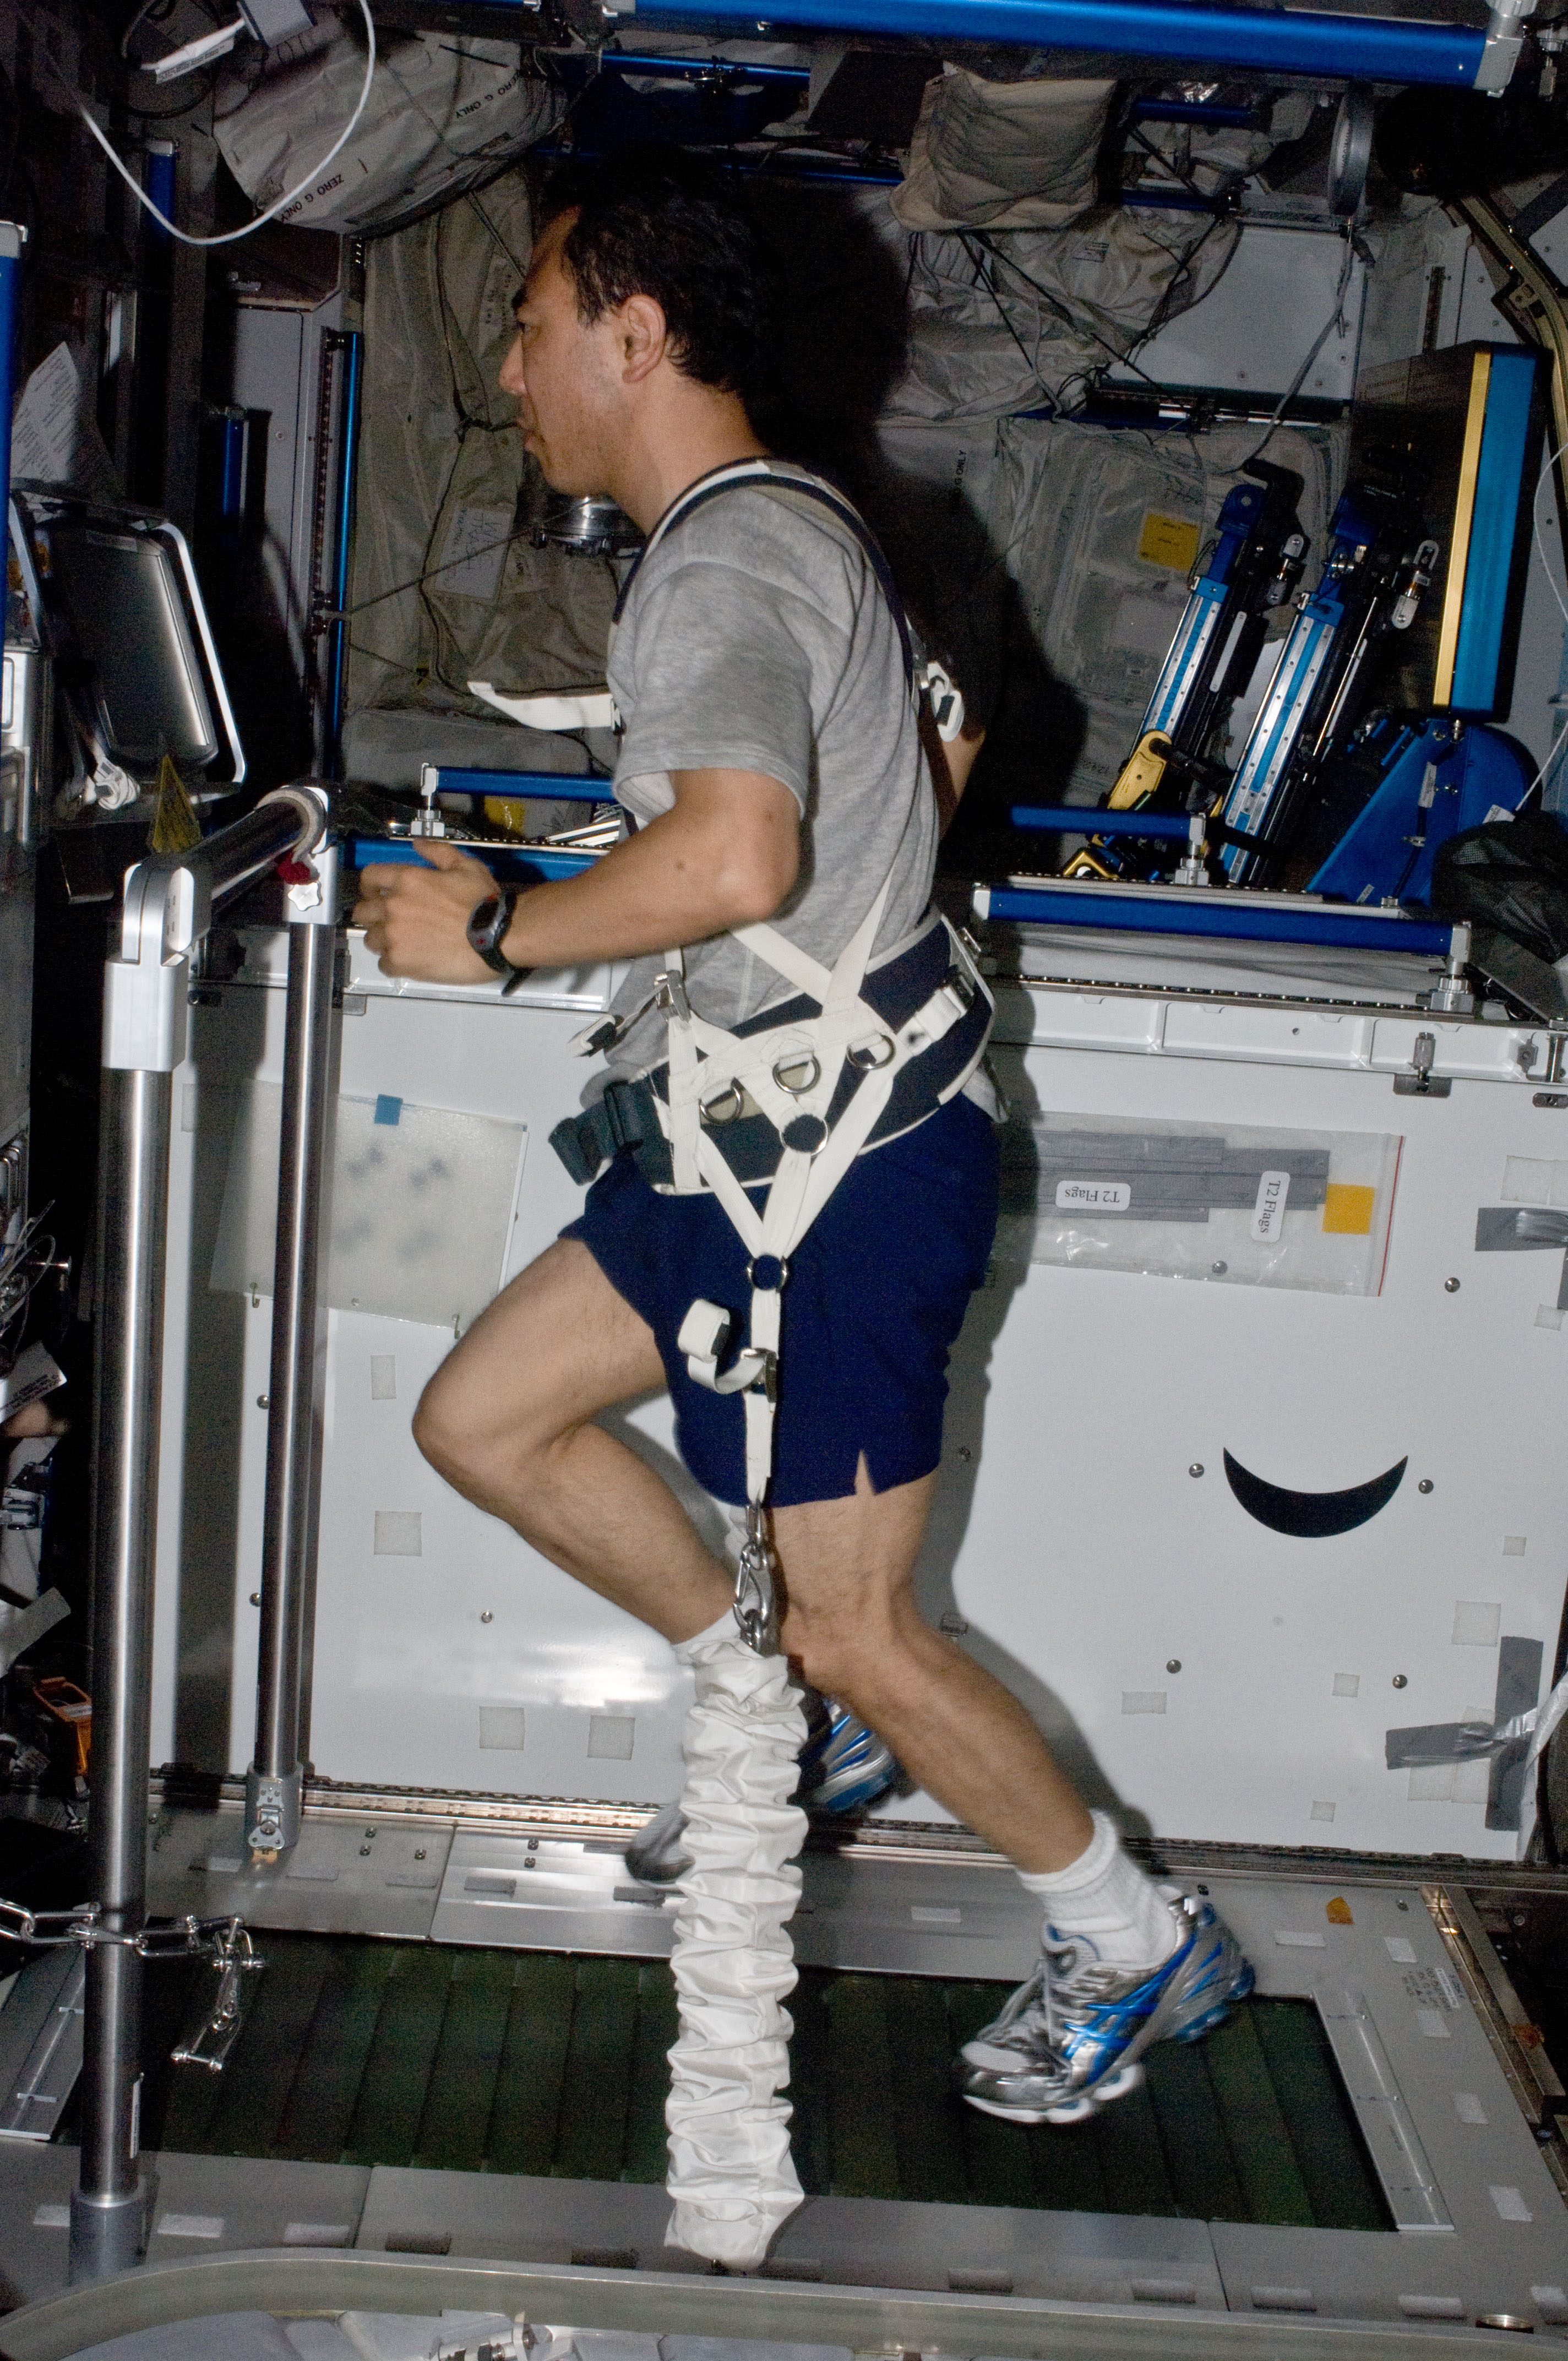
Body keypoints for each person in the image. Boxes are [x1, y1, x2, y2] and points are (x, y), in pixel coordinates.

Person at [352, 146, 1253, 2129]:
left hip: (833, 1178)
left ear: (634, 335)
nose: (510, 371)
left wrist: (496, 937)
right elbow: (918, 770)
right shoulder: (814, 524)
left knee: (857, 1621)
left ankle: (1134, 1939)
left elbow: (739, 854)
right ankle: (790, 1715)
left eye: (530, 325)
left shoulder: (719, 561)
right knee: (486, 1422)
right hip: (733, 1143)